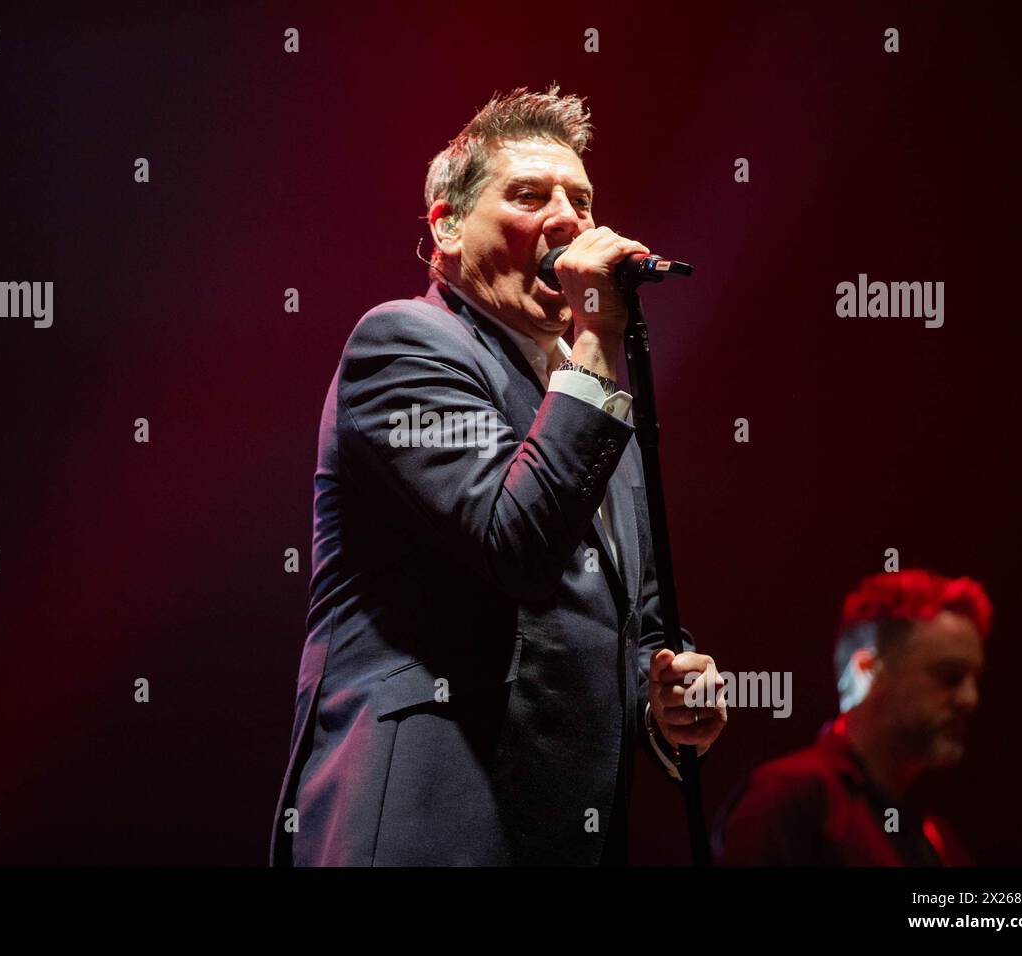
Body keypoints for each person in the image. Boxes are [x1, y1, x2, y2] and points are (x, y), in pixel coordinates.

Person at [270, 85, 725, 867]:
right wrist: (591, 348)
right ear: (445, 227)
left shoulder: (593, 404)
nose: (569, 219)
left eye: (581, 199)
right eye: (528, 194)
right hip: (427, 825)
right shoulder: (405, 344)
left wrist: (671, 700)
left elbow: (637, 624)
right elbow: (513, 540)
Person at [713, 569, 991, 866]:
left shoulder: (937, 838)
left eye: (974, 680)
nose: (970, 699)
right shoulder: (788, 795)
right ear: (867, 670)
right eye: (950, 676)